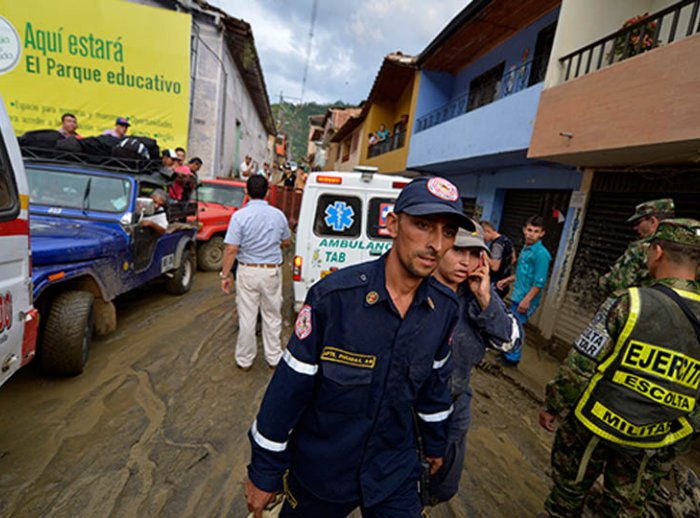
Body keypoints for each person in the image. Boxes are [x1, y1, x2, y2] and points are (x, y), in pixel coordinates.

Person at [244, 176, 473, 517]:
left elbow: (435, 387)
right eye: (423, 225)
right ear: (393, 224)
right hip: (322, 471)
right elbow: (286, 392)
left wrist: (436, 444)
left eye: (449, 232)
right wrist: (264, 471)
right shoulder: (333, 300)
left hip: (392, 472)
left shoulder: (443, 310)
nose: (437, 244)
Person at [539, 218, 700, 517]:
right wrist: (679, 439)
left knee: (570, 489)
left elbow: (579, 365)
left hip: (596, 424)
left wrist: (553, 404)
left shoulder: (630, 302)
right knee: (625, 506)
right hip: (655, 438)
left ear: (657, 251)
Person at [429, 225, 523, 504]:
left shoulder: (478, 298)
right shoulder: (415, 288)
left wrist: (485, 298)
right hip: (406, 408)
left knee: (442, 488)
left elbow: (510, 344)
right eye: (458, 250)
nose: (465, 261)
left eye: (474, 254)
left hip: (453, 406)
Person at [220, 175, 291, 371]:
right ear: (267, 192)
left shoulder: (239, 216)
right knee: (272, 315)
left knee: (247, 317)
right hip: (271, 272)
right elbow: (286, 241)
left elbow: (231, 249)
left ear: (246, 192)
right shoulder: (279, 215)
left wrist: (225, 276)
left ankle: (245, 360)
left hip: (247, 271)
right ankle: (274, 357)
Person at [496, 215, 552, 366]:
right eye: (529, 230)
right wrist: (506, 280)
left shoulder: (541, 255)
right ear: (524, 230)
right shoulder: (526, 249)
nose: (531, 234)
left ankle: (512, 358)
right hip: (518, 295)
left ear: (542, 234)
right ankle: (508, 351)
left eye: (536, 231)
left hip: (525, 299)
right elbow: (522, 273)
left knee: (517, 327)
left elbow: (539, 282)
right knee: (512, 324)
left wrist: (526, 300)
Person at [599, 198, 675, 295]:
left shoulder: (642, 248)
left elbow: (617, 284)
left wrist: (603, 282)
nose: (635, 228)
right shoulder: (686, 247)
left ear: (652, 221)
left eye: (638, 222)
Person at [481, 220, 516, 299]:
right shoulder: (506, 239)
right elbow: (513, 259)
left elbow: (495, 267)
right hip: (504, 283)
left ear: (488, 231)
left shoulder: (497, 245)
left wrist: (484, 253)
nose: (483, 238)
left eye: (482, 235)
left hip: (496, 285)